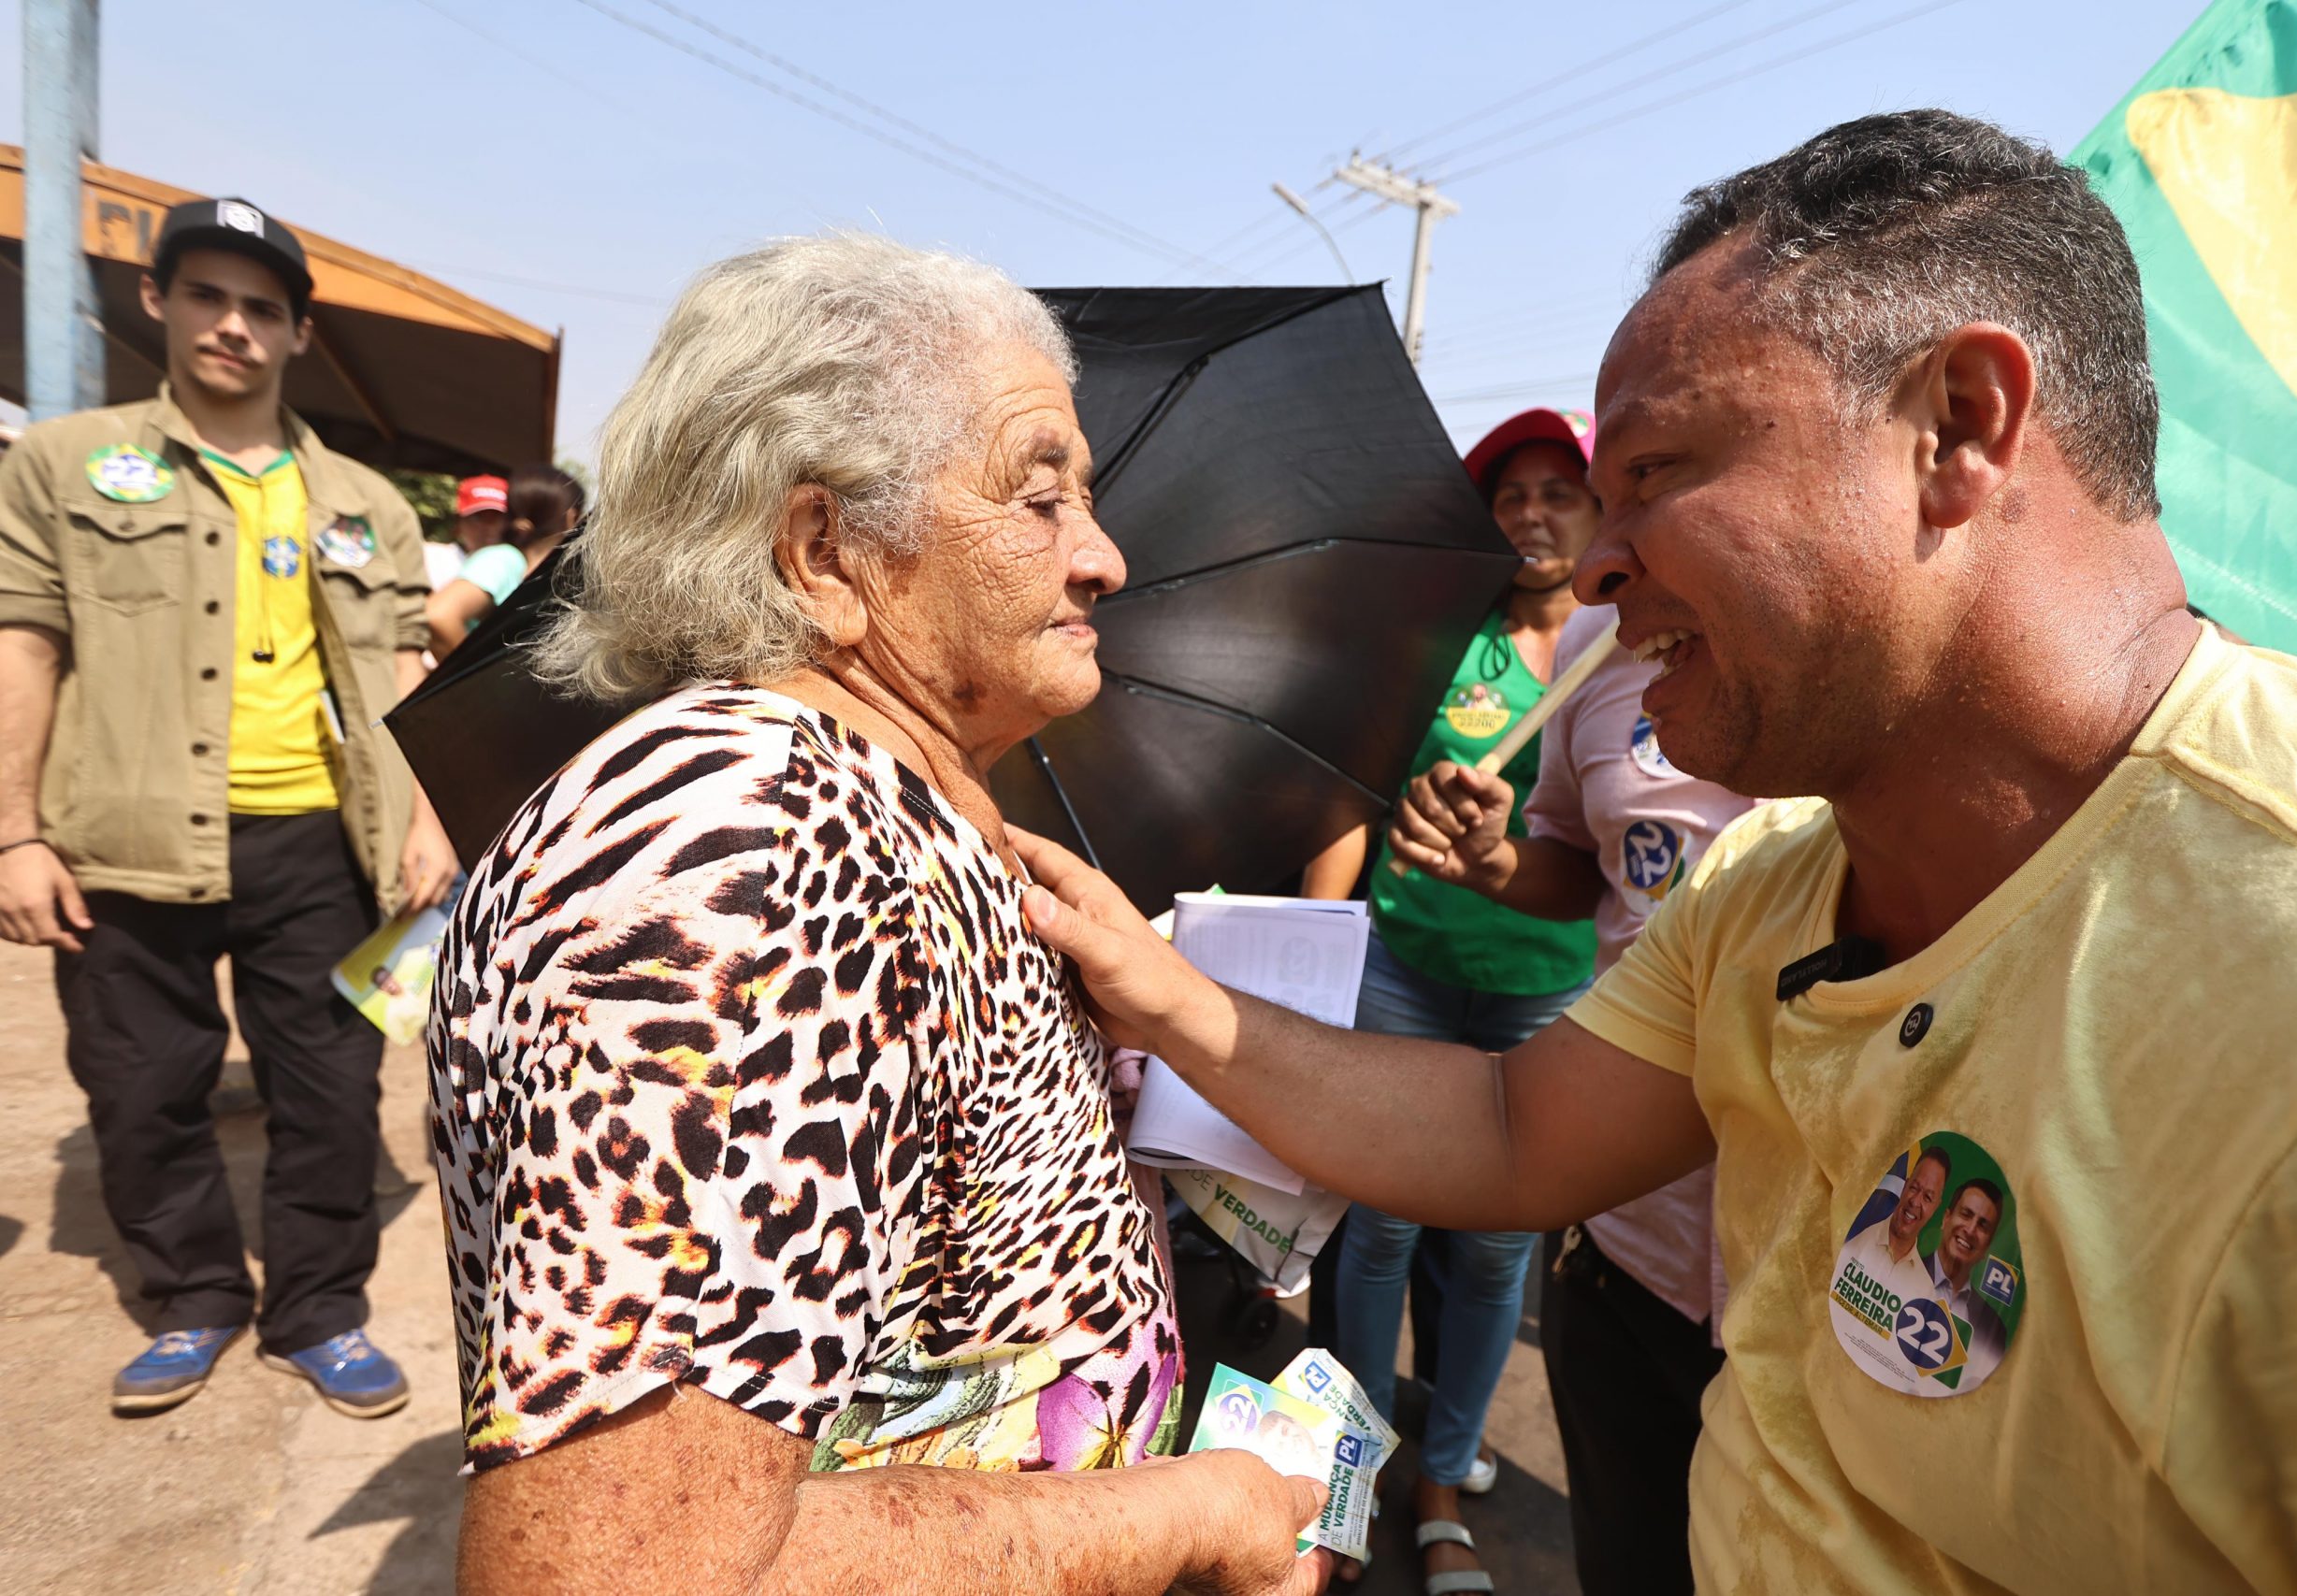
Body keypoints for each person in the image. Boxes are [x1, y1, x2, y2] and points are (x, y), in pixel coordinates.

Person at [1010, 109, 2297, 1593]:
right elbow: (1508, 1129)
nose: (1597, 564)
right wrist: (1157, 988)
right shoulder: (1771, 888)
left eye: (1657, 473)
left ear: (1961, 427)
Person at [427, 235, 1330, 1596]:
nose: (1105, 556)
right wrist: (1188, 1513)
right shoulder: (747, 860)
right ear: (823, 550)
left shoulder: (880, 804)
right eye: (1038, 498)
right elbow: (624, 1572)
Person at [0, 195, 456, 1418]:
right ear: (156, 302)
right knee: (144, 1091)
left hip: (324, 841)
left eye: (263, 307)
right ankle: (195, 1294)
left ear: (297, 333)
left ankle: (318, 1308)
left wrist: (428, 821)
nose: (234, 325)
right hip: (125, 837)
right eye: (207, 294)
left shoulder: (365, 500)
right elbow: (26, 643)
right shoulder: (67, 465)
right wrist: (16, 832)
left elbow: (407, 670)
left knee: (329, 1094)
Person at [1385, 548, 1755, 1592]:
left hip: (1815, 1277)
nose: (1604, 551)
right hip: (1625, 1246)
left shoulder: (1876, 669)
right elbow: (1574, 862)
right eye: (1613, 482)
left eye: (1656, 473)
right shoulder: (1596, 650)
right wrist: (1492, 861)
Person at [1298, 407, 1600, 1592]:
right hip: (1406, 974)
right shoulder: (1441, 642)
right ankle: (1355, 1473)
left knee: (1492, 1253)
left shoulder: (1628, 652)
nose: (1530, 514)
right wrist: (1324, 948)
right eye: (1509, 496)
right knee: (1377, 1234)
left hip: (1545, 993)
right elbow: (1351, 799)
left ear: (1596, 510)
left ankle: (1446, 1479)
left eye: (1555, 492)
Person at [423, 463, 582, 658]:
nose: (487, 527)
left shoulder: (518, 564)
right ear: (572, 518)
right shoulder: (505, 559)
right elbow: (438, 615)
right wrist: (478, 685)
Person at [1829, 1145, 1946, 1315]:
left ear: (1936, 1207)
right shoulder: (1852, 1237)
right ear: (1905, 1186)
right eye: (1914, 1188)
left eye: (1927, 1197)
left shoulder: (1925, 1290)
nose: (1915, 1201)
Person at [1921, 1178, 2009, 1393]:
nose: (1970, 1229)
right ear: (1946, 1218)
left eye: (1983, 1225)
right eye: (1966, 1214)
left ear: (1988, 1246)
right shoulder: (1900, 1269)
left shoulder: (1993, 1330)